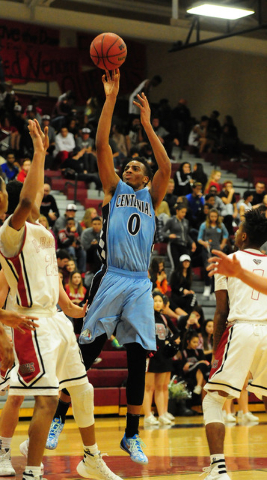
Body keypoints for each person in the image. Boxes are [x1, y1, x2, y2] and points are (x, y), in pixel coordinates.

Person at [47, 68, 171, 465]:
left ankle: (132, 435)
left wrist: (148, 125)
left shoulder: (152, 197)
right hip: (111, 276)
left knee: (138, 359)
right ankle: (60, 416)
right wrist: (111, 98)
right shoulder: (115, 191)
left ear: (146, 178)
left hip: (139, 283)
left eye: (136, 167)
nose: (129, 169)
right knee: (87, 354)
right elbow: (102, 145)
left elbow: (165, 168)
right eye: (128, 166)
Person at [0, 120, 122, 480]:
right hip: (32, 323)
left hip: (56, 319)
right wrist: (39, 152)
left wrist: (70, 306)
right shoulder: (8, 233)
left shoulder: (41, 230)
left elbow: (48, 271)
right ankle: (32, 471)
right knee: (45, 399)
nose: (34, 198)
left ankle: (91, 459)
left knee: (82, 390)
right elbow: (26, 198)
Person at [202, 207, 267, 480]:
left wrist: (217, 352)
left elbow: (220, 311)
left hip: (241, 329)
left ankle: (218, 471)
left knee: (212, 399)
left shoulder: (227, 261)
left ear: (242, 236)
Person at [143, 292, 180, 426]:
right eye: (155, 300)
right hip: (150, 355)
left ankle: (162, 414)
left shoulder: (164, 318)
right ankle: (147, 416)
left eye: (160, 301)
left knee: (161, 387)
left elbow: (176, 332)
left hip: (164, 355)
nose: (158, 303)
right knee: (148, 387)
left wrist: (167, 341)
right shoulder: (146, 317)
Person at [198, 208, 228, 298]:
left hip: (217, 250)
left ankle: (213, 290)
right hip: (207, 250)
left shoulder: (221, 225)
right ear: (209, 216)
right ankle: (207, 286)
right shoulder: (204, 225)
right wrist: (204, 243)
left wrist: (222, 244)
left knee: (216, 270)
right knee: (208, 268)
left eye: (215, 216)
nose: (213, 218)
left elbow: (226, 235)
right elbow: (199, 238)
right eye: (212, 216)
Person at [161, 203, 196, 271]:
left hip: (184, 245)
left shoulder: (186, 221)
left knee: (186, 266)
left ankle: (184, 281)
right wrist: (169, 235)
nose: (184, 214)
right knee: (176, 266)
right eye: (182, 212)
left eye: (185, 212)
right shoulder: (171, 220)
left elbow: (186, 234)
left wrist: (192, 242)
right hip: (174, 245)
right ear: (177, 211)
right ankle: (173, 281)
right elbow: (162, 232)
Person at [181, 330, 210, 396]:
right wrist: (199, 362)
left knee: (202, 367)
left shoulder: (199, 351)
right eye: (194, 342)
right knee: (201, 365)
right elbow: (184, 368)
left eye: (197, 342)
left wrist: (193, 364)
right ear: (188, 341)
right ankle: (198, 386)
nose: (196, 344)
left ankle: (198, 386)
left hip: (200, 372)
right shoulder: (183, 352)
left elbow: (205, 363)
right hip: (189, 373)